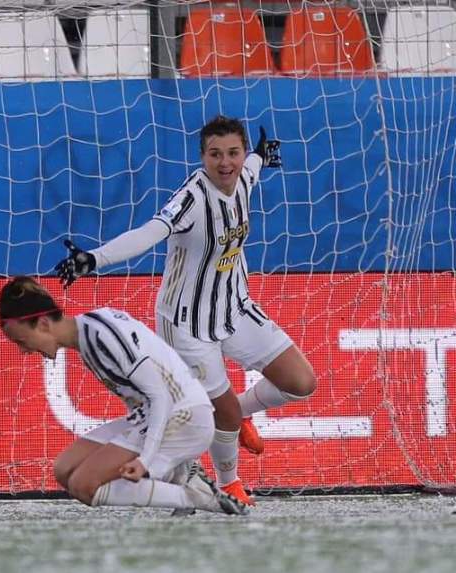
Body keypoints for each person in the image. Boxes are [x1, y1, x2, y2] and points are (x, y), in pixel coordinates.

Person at [54, 115, 317, 506]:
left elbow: (255, 166)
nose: (225, 163)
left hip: (235, 308)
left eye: (233, 153)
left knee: (300, 382)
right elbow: (149, 233)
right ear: (202, 157)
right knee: (221, 417)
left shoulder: (246, 174)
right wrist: (95, 259)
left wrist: (261, 155)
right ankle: (229, 482)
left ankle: (241, 414)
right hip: (188, 324)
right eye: (215, 155)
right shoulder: (191, 198)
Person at [0, 276, 247, 515]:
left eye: (21, 340)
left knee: (85, 485)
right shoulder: (87, 336)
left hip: (184, 415)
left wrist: (146, 460)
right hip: (153, 416)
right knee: (64, 469)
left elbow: (161, 396)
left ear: (42, 323)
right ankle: (183, 475)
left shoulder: (102, 336)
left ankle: (195, 496)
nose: (24, 351)